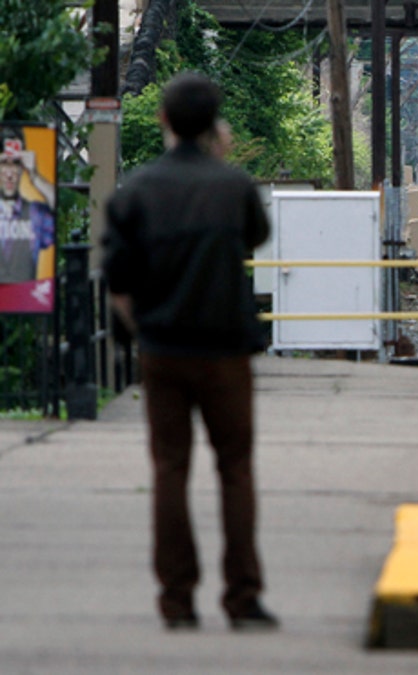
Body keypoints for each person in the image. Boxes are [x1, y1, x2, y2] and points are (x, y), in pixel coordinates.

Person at [102, 72, 277, 632]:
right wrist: (222, 160)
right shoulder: (234, 188)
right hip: (226, 351)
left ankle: (177, 602)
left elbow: (119, 283)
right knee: (236, 470)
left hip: (164, 350)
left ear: (163, 121)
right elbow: (255, 236)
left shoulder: (137, 190)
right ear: (214, 125)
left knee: (170, 470)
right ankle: (242, 597)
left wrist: (143, 336)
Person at [0, 127, 55, 284]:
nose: (9, 174)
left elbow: (56, 208)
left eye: (15, 164)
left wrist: (35, 176)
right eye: (4, 163)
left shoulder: (36, 212)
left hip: (26, 302)